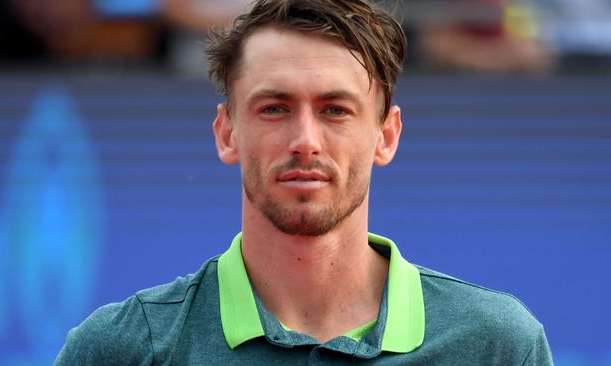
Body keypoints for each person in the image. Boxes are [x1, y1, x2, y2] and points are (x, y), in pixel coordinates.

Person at [55, 0, 553, 364]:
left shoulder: (496, 346)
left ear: (386, 135)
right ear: (227, 133)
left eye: (335, 110)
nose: (305, 140)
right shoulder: (124, 348)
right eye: (275, 108)